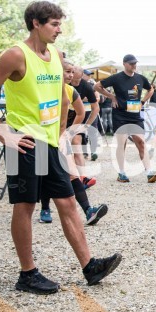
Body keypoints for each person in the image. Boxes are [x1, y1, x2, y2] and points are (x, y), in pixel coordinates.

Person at [0, 1, 121, 294]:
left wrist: (62, 133)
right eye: (54, 24)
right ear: (35, 24)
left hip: (50, 143)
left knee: (67, 202)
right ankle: (27, 274)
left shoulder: (53, 55)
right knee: (25, 206)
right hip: (24, 141)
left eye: (60, 23)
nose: (59, 29)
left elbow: (63, 97)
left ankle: (90, 266)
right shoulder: (16, 55)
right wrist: (3, 134)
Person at [39, 61, 108, 226]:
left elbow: (81, 112)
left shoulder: (71, 91)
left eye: (72, 72)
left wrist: (69, 133)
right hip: (41, 136)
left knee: (72, 173)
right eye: (67, 72)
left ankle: (89, 211)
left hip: (60, 138)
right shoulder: (44, 88)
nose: (70, 75)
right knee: (43, 173)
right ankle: (45, 209)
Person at [94, 54, 156, 183]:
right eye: (131, 63)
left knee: (141, 142)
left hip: (135, 115)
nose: (134, 65)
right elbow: (97, 86)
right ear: (124, 64)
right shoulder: (116, 77)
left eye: (135, 63)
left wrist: (142, 102)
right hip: (120, 114)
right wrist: (112, 96)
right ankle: (121, 173)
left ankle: (149, 173)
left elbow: (151, 90)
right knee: (122, 143)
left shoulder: (140, 78)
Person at [70, 65, 100, 172]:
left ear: (82, 76)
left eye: (79, 80)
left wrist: (86, 125)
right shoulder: (63, 83)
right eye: (74, 80)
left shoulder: (86, 86)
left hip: (78, 119)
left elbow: (96, 108)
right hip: (63, 119)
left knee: (77, 145)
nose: (76, 83)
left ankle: (83, 177)